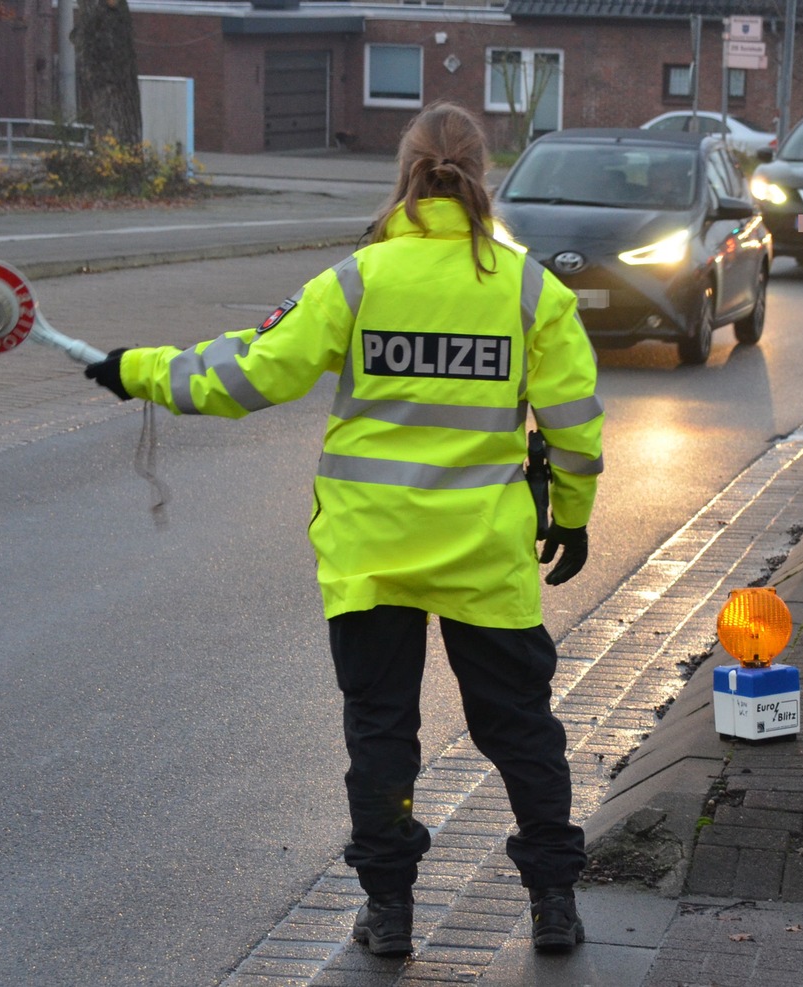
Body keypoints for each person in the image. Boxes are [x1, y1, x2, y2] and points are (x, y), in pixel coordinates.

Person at [83, 101, 604, 957]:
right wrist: (573, 518)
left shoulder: (357, 280)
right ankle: (553, 899)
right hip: (484, 557)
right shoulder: (527, 289)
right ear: (484, 174)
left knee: (381, 733)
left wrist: (137, 370)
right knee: (519, 728)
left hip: (372, 555)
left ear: (405, 173)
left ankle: (391, 910)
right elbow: (578, 425)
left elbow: (250, 372)